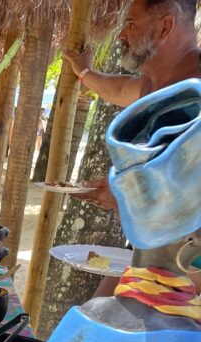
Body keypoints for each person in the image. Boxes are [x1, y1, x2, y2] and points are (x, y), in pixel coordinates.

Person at [63, 0, 200, 211]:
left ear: (165, 27)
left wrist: (127, 195)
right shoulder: (154, 83)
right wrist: (84, 72)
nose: (121, 35)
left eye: (131, 23)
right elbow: (117, 89)